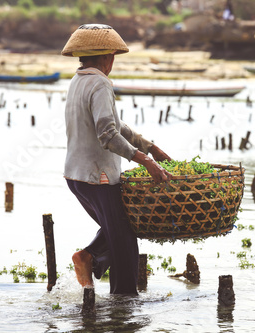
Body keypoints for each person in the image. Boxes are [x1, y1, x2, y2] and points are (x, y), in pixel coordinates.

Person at [61, 24, 172, 295]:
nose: (112, 62)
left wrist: (150, 147)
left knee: (121, 234)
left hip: (76, 177)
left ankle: (114, 293)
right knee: (123, 244)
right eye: (111, 57)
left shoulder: (78, 81)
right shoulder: (100, 82)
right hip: (97, 177)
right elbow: (108, 135)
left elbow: (116, 126)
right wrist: (145, 161)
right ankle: (116, 295)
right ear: (105, 57)